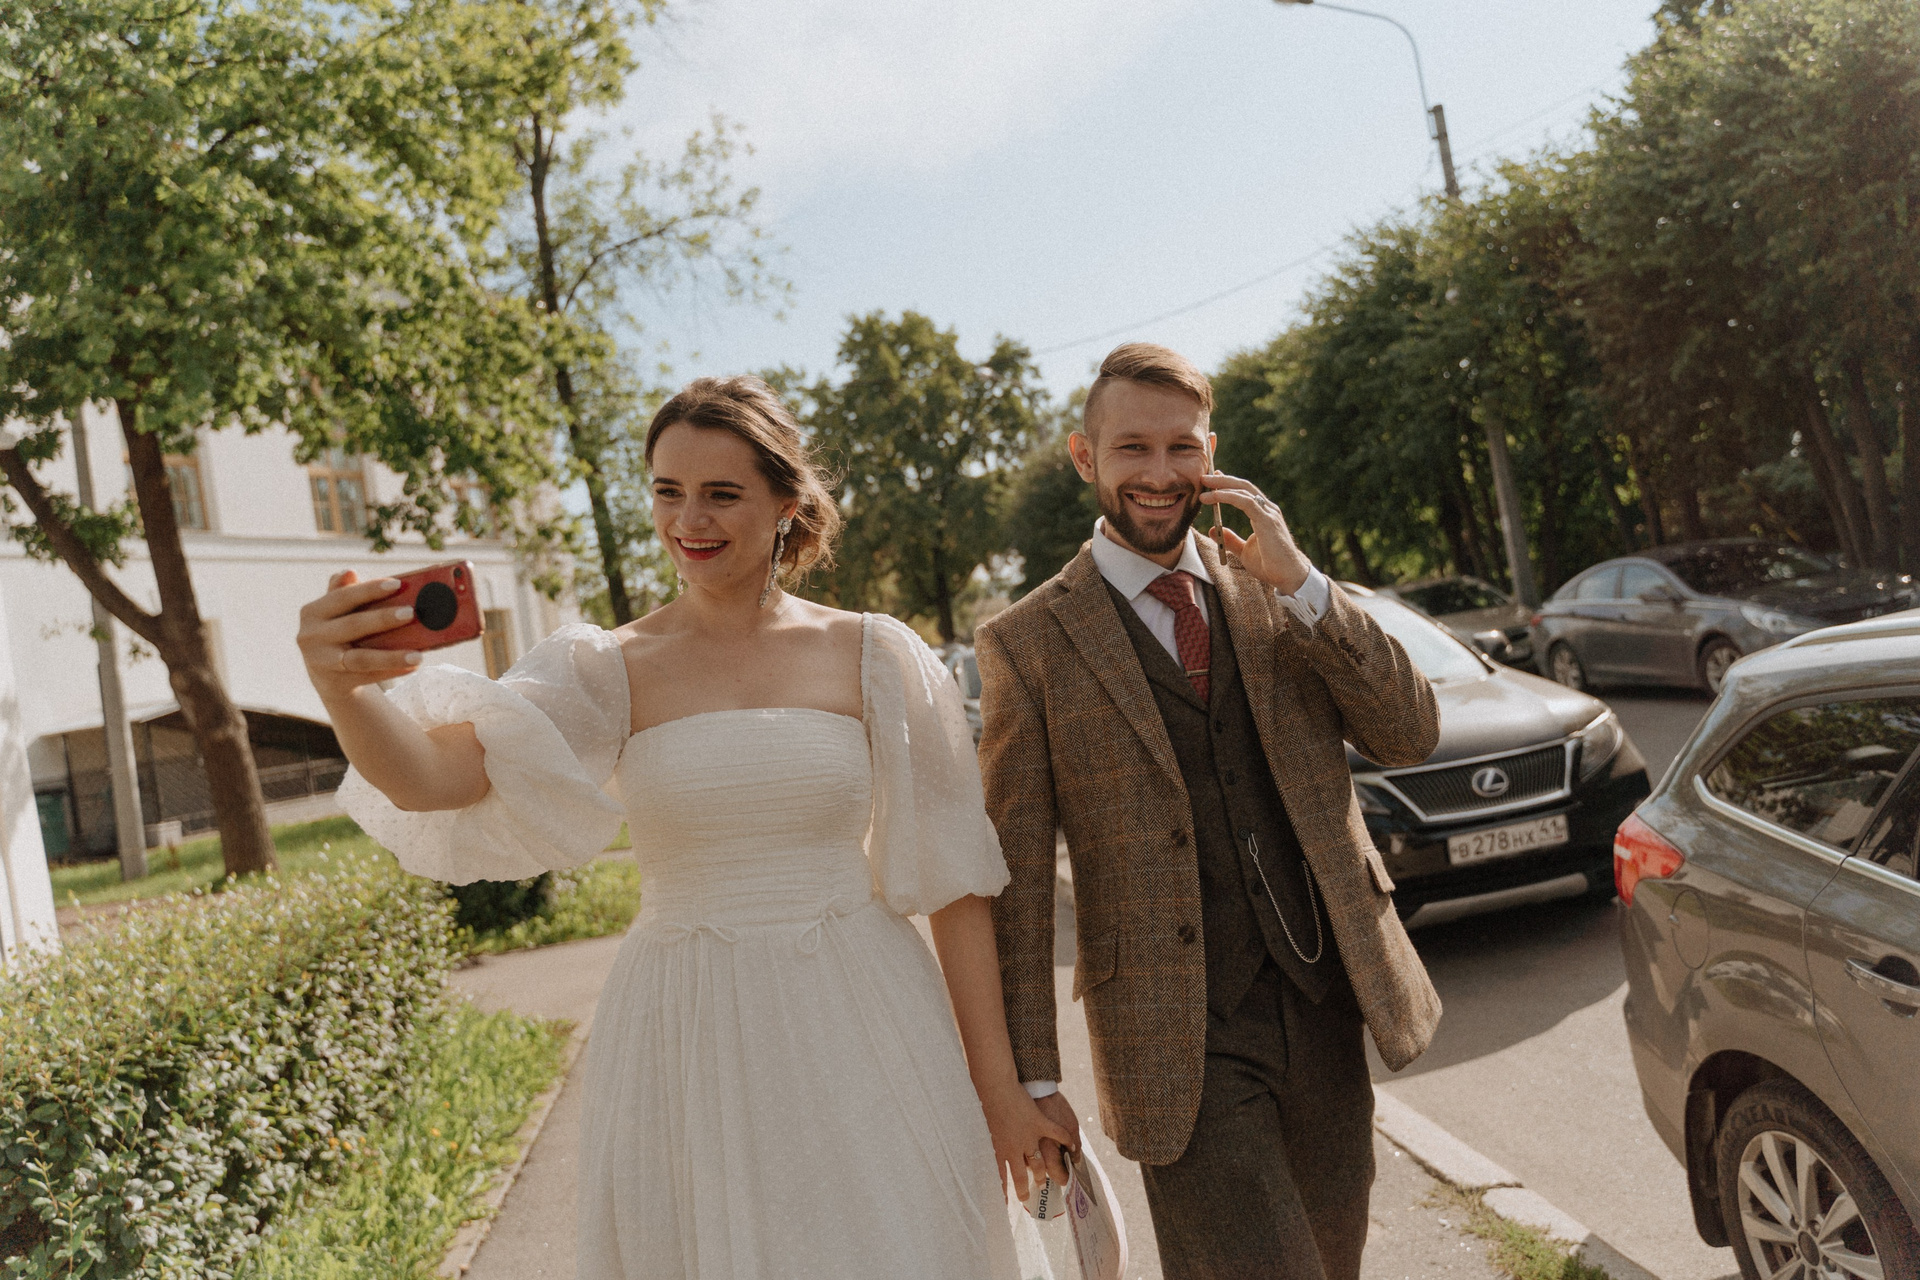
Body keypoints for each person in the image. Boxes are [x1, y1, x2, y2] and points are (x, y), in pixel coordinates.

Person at [296, 376, 1070, 1279]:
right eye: (668, 491)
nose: (688, 520)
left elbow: (954, 887)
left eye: (721, 494)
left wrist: (1001, 1091)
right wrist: (341, 690)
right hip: (684, 1030)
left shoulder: (874, 654)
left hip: (866, 1018)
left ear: (786, 504)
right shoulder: (606, 667)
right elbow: (433, 781)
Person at [977, 343, 1443, 1280]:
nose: (1159, 474)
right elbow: (1017, 878)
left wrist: (1304, 583)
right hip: (1174, 1041)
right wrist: (1032, 1078)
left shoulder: (1276, 590)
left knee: (1333, 1264)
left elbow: (1409, 732)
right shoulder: (1027, 642)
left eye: (1181, 448)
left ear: (1212, 454)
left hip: (1323, 1004)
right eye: (1132, 449)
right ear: (1084, 456)